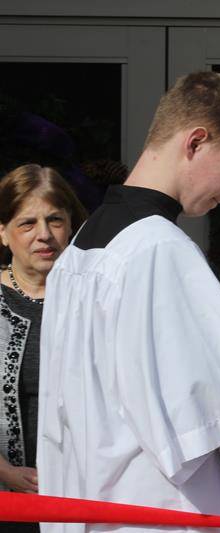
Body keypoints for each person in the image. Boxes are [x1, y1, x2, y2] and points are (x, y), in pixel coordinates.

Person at [37, 71, 220, 533]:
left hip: (98, 502)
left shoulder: (79, 248)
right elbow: (203, 411)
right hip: (160, 510)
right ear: (196, 141)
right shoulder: (158, 248)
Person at [0, 164, 87, 533]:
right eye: (27, 223)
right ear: (3, 232)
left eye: (55, 220)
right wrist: (6, 471)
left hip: (81, 496)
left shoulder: (91, 298)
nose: (44, 235)